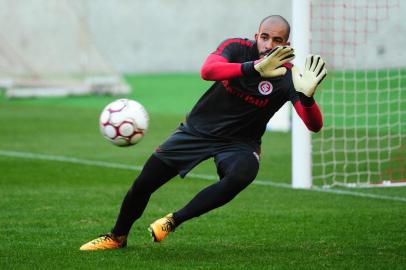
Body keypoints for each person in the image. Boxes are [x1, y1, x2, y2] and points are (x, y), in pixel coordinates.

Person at [80, 15, 327, 251]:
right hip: (197, 131)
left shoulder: (290, 77)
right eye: (265, 37)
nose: (269, 44)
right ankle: (117, 236)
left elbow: (314, 125)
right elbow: (208, 71)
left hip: (240, 143)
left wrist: (307, 98)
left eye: (277, 40)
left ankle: (173, 221)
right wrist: (254, 68)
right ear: (256, 36)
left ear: (286, 44)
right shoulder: (237, 48)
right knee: (143, 184)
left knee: (243, 174)